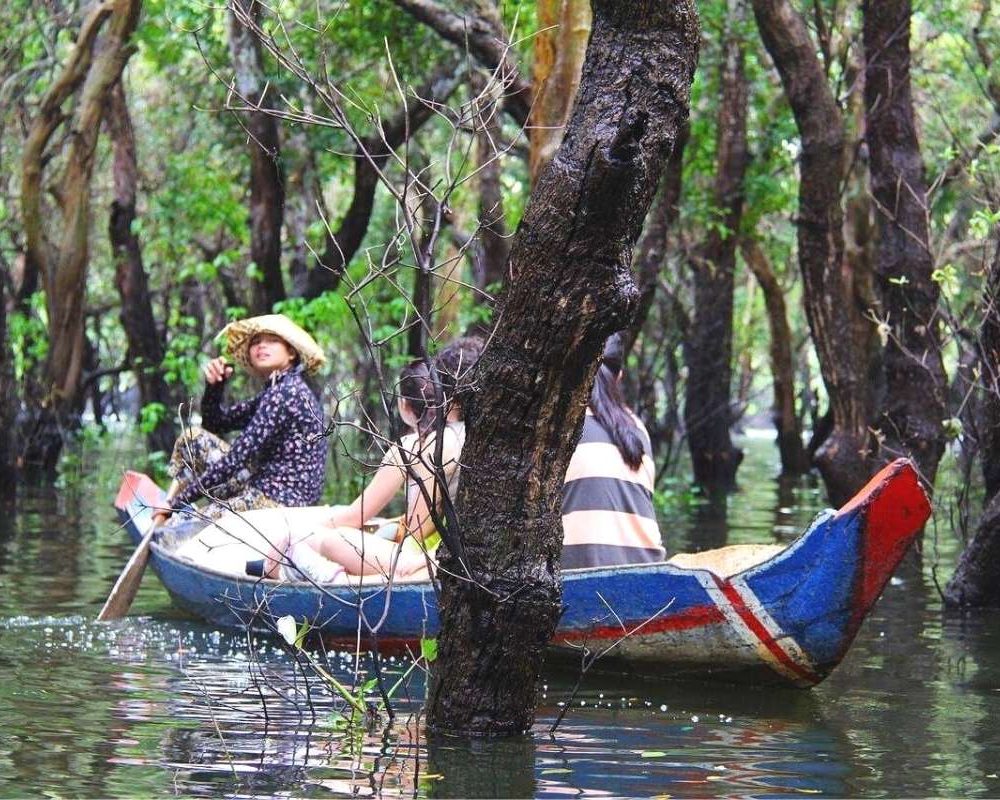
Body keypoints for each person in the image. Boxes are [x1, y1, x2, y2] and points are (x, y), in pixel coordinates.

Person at [262, 357, 466, 583]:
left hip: (425, 556)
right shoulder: (465, 433)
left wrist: (303, 533)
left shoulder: (411, 446)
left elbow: (358, 517)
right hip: (443, 550)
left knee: (332, 539)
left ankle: (324, 574)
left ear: (404, 406)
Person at [153, 314, 328, 527]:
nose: (261, 346)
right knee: (193, 438)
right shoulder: (275, 390)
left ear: (291, 352)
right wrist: (214, 387)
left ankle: (169, 509)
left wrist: (179, 503)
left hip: (281, 504)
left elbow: (235, 460)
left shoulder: (286, 392)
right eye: (255, 341)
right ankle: (169, 502)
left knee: (184, 526)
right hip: (261, 490)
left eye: (272, 340)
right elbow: (216, 424)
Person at [561, 333, 665, 569]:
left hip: (580, 574)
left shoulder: (559, 426)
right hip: (649, 572)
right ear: (619, 376)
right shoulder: (637, 429)